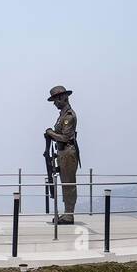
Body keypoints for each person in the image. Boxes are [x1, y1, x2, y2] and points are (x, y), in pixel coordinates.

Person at [44, 85, 81, 224]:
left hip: (68, 152)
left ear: (63, 98)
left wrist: (50, 133)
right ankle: (67, 213)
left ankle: (69, 215)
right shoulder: (62, 115)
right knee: (65, 182)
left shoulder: (69, 116)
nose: (54, 103)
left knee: (69, 183)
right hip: (62, 152)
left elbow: (65, 137)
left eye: (56, 100)